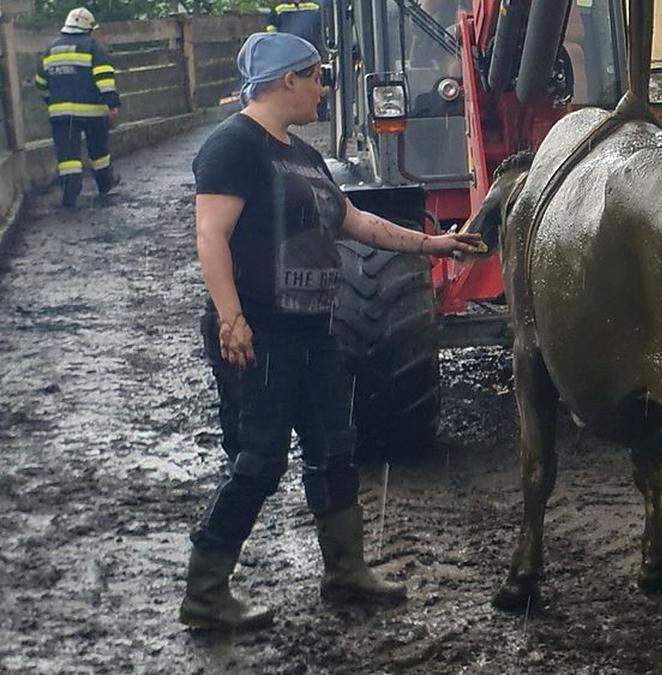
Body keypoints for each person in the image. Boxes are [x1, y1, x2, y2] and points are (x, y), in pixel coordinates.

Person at [180, 32, 482, 632]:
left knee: (333, 453)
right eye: (316, 76)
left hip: (314, 333)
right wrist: (231, 319)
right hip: (261, 333)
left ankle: (346, 570)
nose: (323, 87)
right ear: (287, 80)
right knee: (257, 463)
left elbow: (354, 220)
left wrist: (435, 244)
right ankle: (206, 592)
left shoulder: (301, 155)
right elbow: (210, 235)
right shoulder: (233, 146)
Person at [34, 7, 121, 208]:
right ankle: (105, 183)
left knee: (67, 155)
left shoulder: (50, 49)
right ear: (88, 28)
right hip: (92, 112)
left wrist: (53, 103)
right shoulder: (93, 47)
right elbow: (104, 78)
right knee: (99, 151)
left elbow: (40, 83)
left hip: (61, 114)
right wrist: (112, 103)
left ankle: (70, 189)